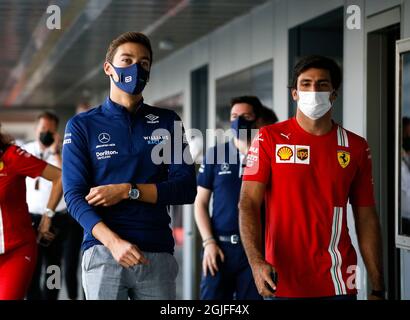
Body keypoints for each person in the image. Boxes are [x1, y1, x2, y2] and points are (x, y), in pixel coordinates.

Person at [62, 31, 197, 300]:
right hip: (103, 251)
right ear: (108, 68)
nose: (136, 68)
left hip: (156, 252)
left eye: (144, 63)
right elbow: (74, 196)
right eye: (127, 60)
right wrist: (113, 243)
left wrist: (128, 190)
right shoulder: (82, 126)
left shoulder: (167, 122)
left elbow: (185, 188)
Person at [239, 55, 385, 300]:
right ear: (294, 93)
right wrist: (256, 262)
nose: (313, 90)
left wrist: (378, 286)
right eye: (305, 84)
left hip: (339, 281)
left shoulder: (355, 147)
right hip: (281, 280)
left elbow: (366, 215)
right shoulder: (268, 138)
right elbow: (248, 203)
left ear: (334, 93)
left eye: (322, 84)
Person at [194, 96, 263, 300]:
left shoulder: (266, 154)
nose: (238, 120)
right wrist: (208, 243)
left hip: (255, 251)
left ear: (257, 120)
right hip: (219, 248)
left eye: (245, 116)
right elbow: (200, 203)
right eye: (234, 116)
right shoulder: (216, 154)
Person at [0, 124, 62, 300]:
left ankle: (68, 295)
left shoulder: (13, 155)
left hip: (23, 243)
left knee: (56, 267)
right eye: (42, 127)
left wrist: (48, 215)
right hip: (32, 218)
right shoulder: (28, 148)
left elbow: (61, 176)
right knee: (35, 286)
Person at [23, 112, 69, 300]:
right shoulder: (24, 151)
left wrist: (55, 151)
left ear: (56, 131)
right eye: (43, 129)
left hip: (56, 218)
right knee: (30, 265)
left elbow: (68, 179)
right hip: (29, 218)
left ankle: (51, 298)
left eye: (50, 130)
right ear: (36, 129)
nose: (46, 133)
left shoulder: (62, 153)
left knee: (53, 265)